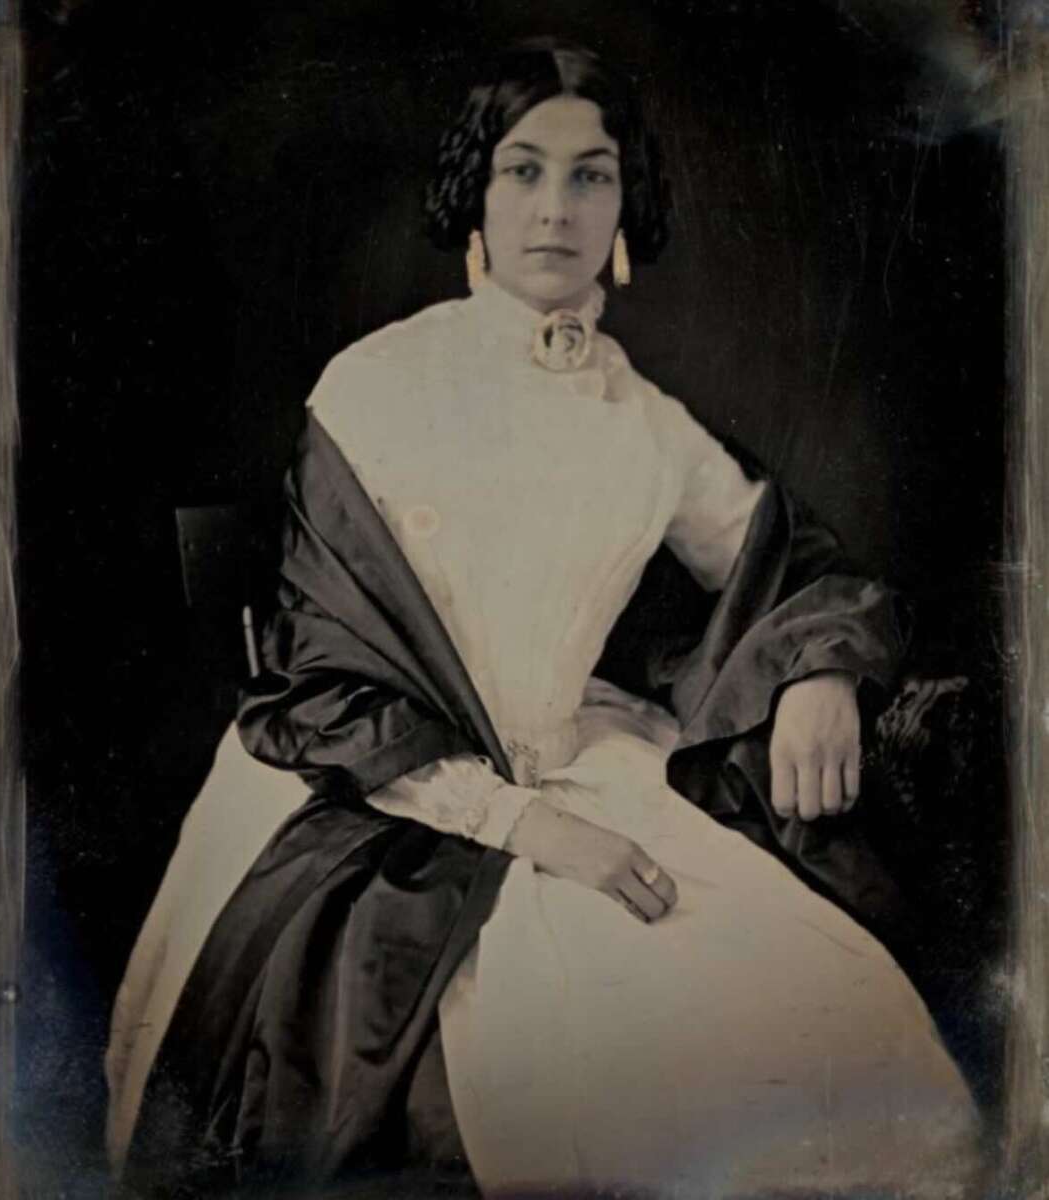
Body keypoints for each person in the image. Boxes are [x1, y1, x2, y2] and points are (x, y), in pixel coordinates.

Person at [107, 37, 983, 1199]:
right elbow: (323, 693)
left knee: (831, 1042)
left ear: (629, 202)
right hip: (370, 799)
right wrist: (529, 829)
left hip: (583, 764)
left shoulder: (646, 421)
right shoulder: (372, 386)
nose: (555, 209)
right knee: (562, 1083)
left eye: (591, 174)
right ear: (476, 192)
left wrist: (818, 672)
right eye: (522, 171)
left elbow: (789, 558)